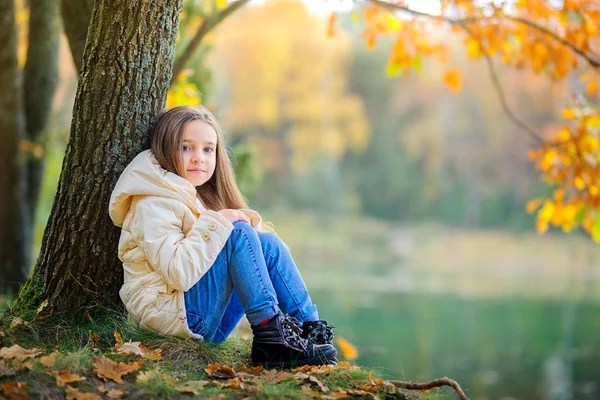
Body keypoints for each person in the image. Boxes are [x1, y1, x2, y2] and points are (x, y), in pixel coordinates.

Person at [108, 105, 336, 368]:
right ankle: (270, 335)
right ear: (165, 148)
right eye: (186, 148)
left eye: (207, 149)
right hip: (169, 316)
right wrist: (220, 222)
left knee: (268, 245)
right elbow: (177, 273)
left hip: (200, 319)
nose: (198, 158)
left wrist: (233, 226)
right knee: (236, 232)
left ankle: (312, 331)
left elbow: (249, 256)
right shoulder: (153, 203)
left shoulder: (192, 195)